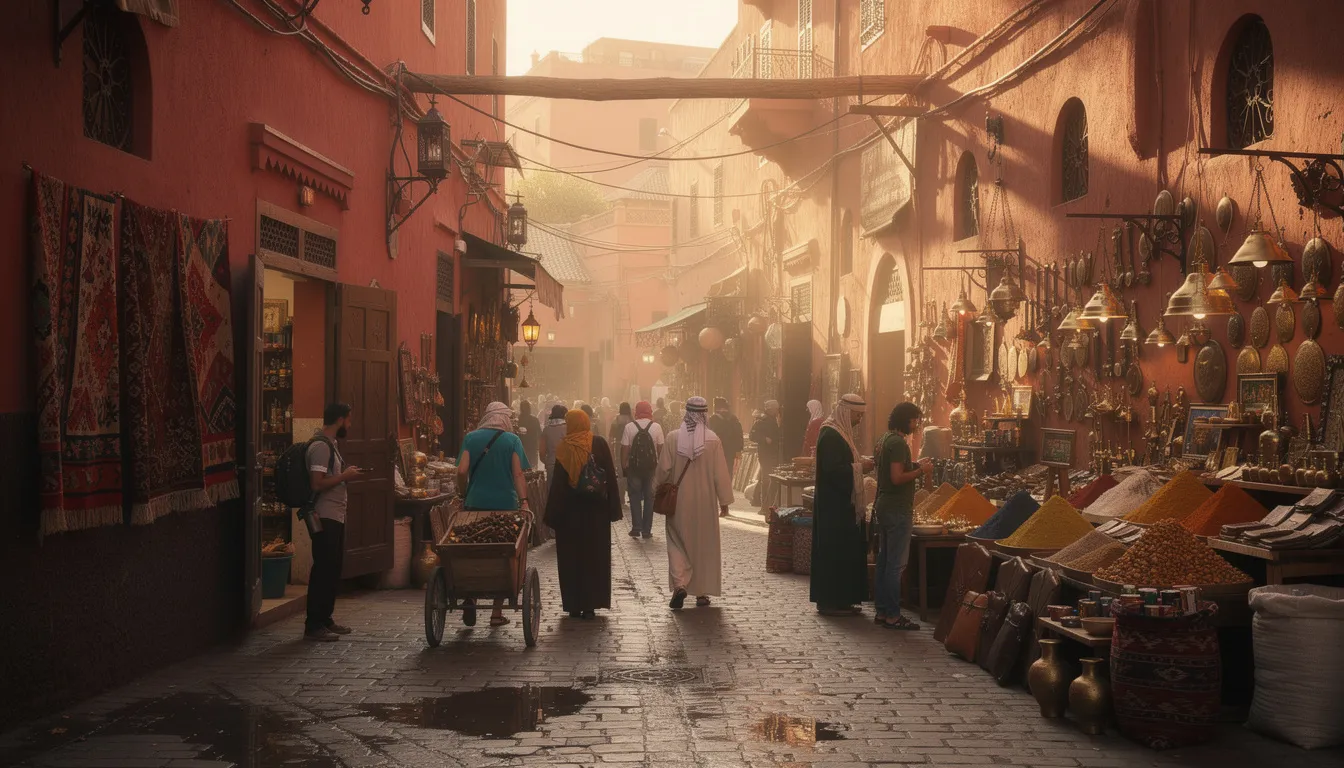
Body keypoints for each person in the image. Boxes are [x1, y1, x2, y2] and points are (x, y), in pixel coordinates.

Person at [456, 401, 532, 626]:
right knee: (503, 554)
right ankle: (496, 614)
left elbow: (461, 470)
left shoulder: (471, 438)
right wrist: (524, 501)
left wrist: (463, 492)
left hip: (475, 503)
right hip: (505, 506)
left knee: (473, 550)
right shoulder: (512, 440)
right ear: (505, 419)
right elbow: (518, 474)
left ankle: (470, 595)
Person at [656, 396, 734, 610]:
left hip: (678, 501)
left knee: (676, 541)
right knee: (703, 544)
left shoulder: (673, 438)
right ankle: (701, 593)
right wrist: (725, 501)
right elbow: (721, 474)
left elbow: (663, 470)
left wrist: (657, 488)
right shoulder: (713, 439)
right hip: (706, 502)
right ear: (705, 414)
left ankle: (680, 584)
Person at [544, 409, 622, 619]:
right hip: (596, 513)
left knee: (571, 559)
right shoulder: (599, 443)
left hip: (570, 515)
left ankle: (573, 604)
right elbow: (610, 479)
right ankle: (591, 604)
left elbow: (558, 485)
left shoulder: (564, 447)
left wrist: (552, 517)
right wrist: (614, 508)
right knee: (594, 557)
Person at [304, 403, 364, 641]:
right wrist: (344, 476)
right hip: (324, 514)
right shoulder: (321, 446)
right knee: (323, 569)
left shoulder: (333, 446)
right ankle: (314, 623)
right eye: (348, 421)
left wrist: (343, 475)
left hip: (335, 514)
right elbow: (317, 483)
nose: (349, 425)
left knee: (332, 568)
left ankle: (325, 618)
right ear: (340, 420)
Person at [810, 394, 873, 617]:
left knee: (844, 551)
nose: (859, 420)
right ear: (846, 412)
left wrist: (858, 463)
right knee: (833, 551)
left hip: (842, 503)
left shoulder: (840, 433)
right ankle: (830, 601)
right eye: (857, 415)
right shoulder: (830, 433)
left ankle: (843, 599)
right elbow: (833, 470)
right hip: (833, 505)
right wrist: (859, 467)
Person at [873, 402, 931, 630]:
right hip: (897, 508)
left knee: (884, 562)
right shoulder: (897, 443)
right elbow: (897, 477)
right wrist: (920, 471)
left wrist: (914, 465)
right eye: (914, 420)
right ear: (906, 420)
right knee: (896, 565)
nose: (915, 425)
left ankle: (882, 611)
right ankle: (893, 615)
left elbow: (892, 470)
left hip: (885, 506)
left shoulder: (884, 439)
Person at [622, 400, 665, 539]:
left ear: (637, 411)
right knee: (649, 497)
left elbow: (625, 448)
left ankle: (636, 527)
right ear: (649, 411)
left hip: (634, 467)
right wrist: (661, 467)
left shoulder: (629, 426)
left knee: (634, 497)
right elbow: (660, 449)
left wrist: (624, 464)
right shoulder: (656, 427)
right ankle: (647, 530)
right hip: (651, 467)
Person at [707, 397, 744, 516]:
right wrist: (738, 449)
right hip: (729, 453)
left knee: (714, 478)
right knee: (726, 478)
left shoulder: (712, 419)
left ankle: (714, 506)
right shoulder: (733, 418)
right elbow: (739, 434)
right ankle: (724, 507)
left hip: (715, 452)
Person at [749, 400, 782, 507]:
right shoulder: (762, 420)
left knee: (770, 478)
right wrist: (764, 439)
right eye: (776, 409)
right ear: (771, 409)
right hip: (765, 453)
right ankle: (764, 505)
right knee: (766, 478)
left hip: (774, 452)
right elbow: (752, 435)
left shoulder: (776, 419)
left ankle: (767, 502)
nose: (777, 411)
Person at [540, 404, 568, 477]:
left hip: (551, 465)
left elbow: (542, 452)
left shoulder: (546, 430)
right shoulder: (569, 428)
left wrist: (548, 462)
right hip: (567, 465)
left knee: (552, 487)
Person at [517, 399, 542, 469]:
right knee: (532, 469)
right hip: (532, 447)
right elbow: (540, 433)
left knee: (522, 468)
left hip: (521, 447)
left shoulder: (517, 420)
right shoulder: (535, 419)